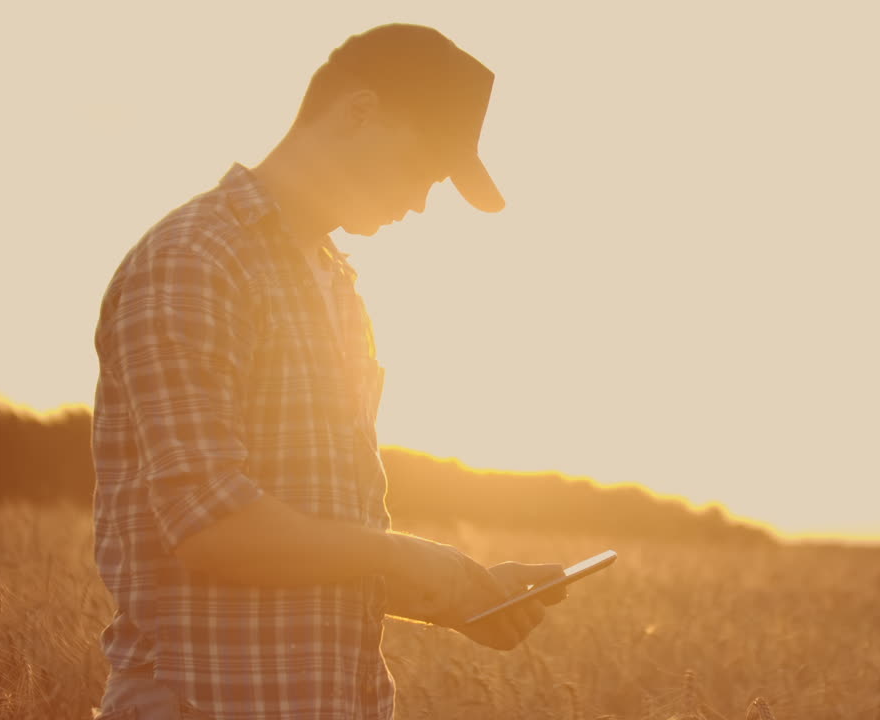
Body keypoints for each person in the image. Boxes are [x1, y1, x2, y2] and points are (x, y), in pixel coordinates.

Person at [91, 24, 566, 720]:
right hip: (204, 702)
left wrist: (456, 594)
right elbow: (211, 528)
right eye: (425, 166)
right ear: (359, 112)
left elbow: (316, 542)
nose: (421, 202)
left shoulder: (335, 286)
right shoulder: (195, 261)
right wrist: (405, 559)